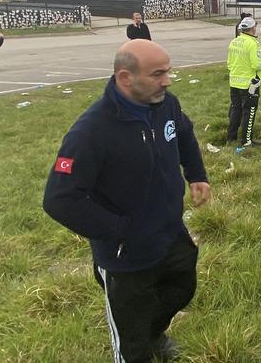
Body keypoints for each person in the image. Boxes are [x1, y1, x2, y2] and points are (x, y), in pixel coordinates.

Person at [42, 39, 210, 363]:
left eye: (168, 72)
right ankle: (139, 346)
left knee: (181, 286)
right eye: (158, 74)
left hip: (169, 231)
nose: (167, 81)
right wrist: (121, 231)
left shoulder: (166, 104)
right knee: (130, 334)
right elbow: (59, 199)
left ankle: (153, 335)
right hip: (125, 253)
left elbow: (184, 134)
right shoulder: (91, 131)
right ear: (125, 78)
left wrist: (197, 175)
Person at [226, 16, 261, 148]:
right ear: (252, 28)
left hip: (234, 82)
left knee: (235, 109)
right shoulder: (253, 43)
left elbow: (229, 63)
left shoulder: (234, 42)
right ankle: (246, 140)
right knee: (249, 112)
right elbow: (257, 64)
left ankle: (231, 137)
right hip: (250, 84)